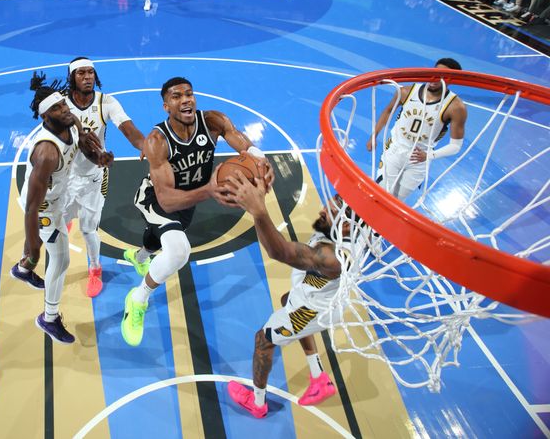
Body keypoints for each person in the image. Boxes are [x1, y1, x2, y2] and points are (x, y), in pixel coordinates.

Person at [120, 77, 274, 347]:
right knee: (178, 250)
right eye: (177, 96)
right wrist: (211, 190)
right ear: (166, 106)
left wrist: (261, 161)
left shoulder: (213, 121)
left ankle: (139, 255)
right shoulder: (158, 140)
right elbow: (167, 202)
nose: (186, 99)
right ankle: (137, 299)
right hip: (156, 199)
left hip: (189, 199)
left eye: (189, 94)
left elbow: (244, 145)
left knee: (155, 241)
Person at [220, 180, 361, 418]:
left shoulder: (332, 257)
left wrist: (258, 210)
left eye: (335, 206)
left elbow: (279, 252)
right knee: (287, 299)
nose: (325, 206)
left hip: (312, 309)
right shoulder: (347, 229)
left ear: (347, 226)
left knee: (263, 340)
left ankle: (257, 403)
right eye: (334, 199)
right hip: (321, 293)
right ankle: (318, 377)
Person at [11, 73, 113, 344]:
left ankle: (21, 270)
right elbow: (31, 209)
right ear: (45, 118)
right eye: (57, 109)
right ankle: (49, 318)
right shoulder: (47, 153)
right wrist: (34, 252)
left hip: (59, 194)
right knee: (61, 259)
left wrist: (99, 158)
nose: (66, 111)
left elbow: (83, 146)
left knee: (51, 251)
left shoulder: (71, 120)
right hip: (43, 209)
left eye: (65, 106)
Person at [62, 57, 145, 298]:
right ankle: (66, 216)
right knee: (59, 221)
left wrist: (143, 144)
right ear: (72, 78)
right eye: (81, 73)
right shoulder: (62, 105)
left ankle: (95, 268)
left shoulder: (105, 102)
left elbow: (127, 127)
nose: (87, 77)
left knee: (88, 230)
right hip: (66, 176)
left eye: (91, 72)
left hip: (94, 178)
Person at [366, 58, 468, 201]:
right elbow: (388, 111)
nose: (436, 78)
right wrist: (374, 135)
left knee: (396, 201)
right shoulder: (407, 91)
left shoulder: (456, 107)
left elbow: (455, 146)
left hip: (420, 160)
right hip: (395, 150)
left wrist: (429, 155)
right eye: (435, 72)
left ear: (452, 80)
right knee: (380, 196)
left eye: (443, 76)